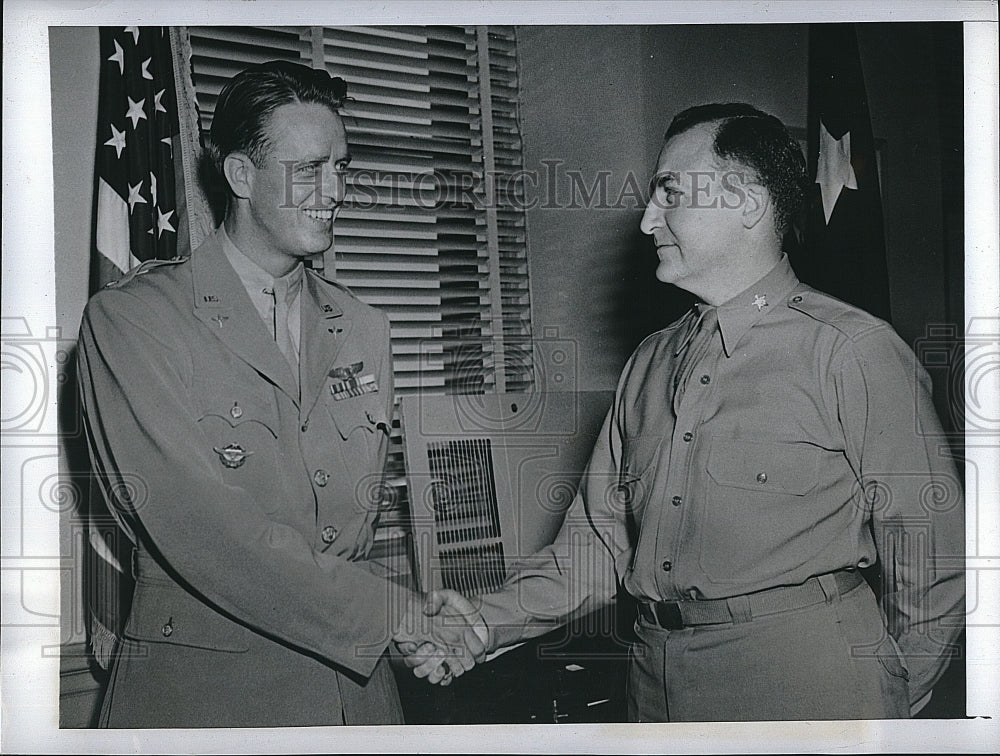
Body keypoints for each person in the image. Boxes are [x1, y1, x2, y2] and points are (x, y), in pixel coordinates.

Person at [401, 103, 965, 721]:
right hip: (657, 684)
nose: (647, 221)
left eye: (669, 192)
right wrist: (481, 623)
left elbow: (932, 558)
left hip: (809, 683)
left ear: (747, 204)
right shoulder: (649, 362)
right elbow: (595, 547)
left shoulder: (851, 351)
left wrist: (886, 695)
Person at [77, 60, 482, 728]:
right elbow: (203, 529)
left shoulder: (362, 327)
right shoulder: (136, 321)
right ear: (240, 176)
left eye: (343, 167)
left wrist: (408, 629)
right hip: (208, 697)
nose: (335, 191)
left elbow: (347, 530)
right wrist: (396, 613)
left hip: (356, 694)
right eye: (309, 169)